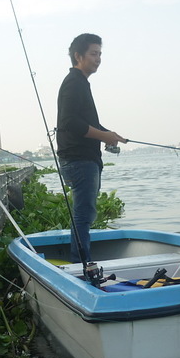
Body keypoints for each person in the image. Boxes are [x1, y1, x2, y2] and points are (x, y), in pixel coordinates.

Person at [56, 33, 127, 263]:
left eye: (100, 54)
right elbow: (69, 122)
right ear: (78, 56)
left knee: (84, 214)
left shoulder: (80, 82)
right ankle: (82, 265)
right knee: (84, 215)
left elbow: (86, 122)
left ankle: (81, 261)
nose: (98, 59)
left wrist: (109, 135)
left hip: (84, 159)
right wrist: (103, 135)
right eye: (93, 54)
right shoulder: (74, 83)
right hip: (79, 160)